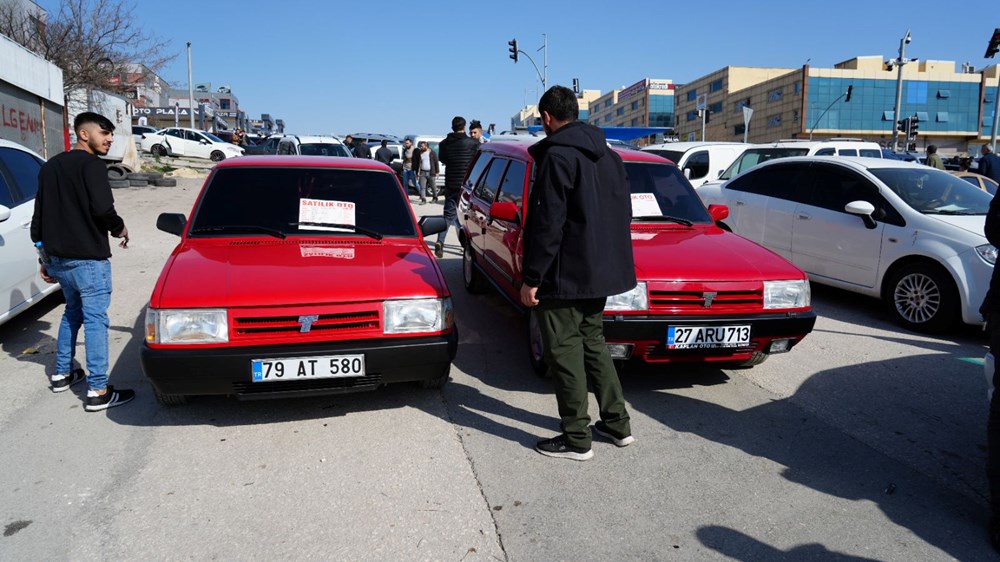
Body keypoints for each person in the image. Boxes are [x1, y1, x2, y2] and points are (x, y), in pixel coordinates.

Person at [520, 85, 636, 461]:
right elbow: (623, 216)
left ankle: (576, 438)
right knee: (593, 344)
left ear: (547, 118)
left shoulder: (556, 157)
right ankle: (618, 425)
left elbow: (547, 224)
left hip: (564, 275)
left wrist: (532, 278)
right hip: (599, 272)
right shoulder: (612, 157)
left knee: (565, 352)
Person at [30, 112, 135, 412]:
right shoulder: (92, 166)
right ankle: (98, 390)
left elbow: (38, 218)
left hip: (59, 259)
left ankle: (62, 373)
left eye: (112, 134)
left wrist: (44, 256)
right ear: (84, 134)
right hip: (88, 259)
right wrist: (119, 228)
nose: (110, 139)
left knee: (72, 312)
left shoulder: (49, 168)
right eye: (105, 133)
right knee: (95, 320)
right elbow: (103, 208)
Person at [436, 116, 478, 258]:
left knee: (448, 215)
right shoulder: (473, 143)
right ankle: (466, 246)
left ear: (452, 127)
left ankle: (440, 242)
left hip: (450, 183)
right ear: (464, 127)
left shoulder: (444, 144)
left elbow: (443, 159)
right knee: (465, 217)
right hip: (466, 185)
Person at [413, 140, 438, 205]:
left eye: (422, 146)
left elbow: (436, 162)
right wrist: (417, 173)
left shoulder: (432, 153)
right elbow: (418, 163)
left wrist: (437, 171)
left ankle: (435, 198)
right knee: (422, 187)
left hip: (431, 172)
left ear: (426, 146)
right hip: (422, 172)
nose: (421, 147)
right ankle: (423, 199)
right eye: (420, 146)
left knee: (433, 186)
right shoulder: (420, 153)